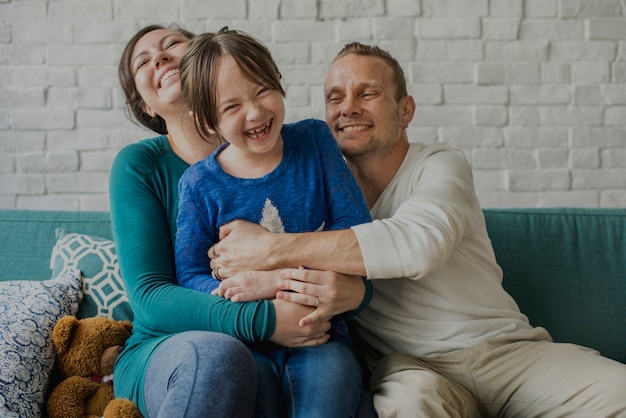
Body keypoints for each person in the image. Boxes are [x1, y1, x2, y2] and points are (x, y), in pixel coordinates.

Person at [206, 41, 626, 417]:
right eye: (335, 97)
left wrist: (269, 249)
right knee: (409, 405)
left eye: (367, 93)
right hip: (409, 368)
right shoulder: (321, 194)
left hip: (504, 353)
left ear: (405, 109)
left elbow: (418, 245)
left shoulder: (440, 165)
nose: (348, 107)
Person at [110, 24, 344, 417]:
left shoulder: (288, 151)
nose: (161, 58)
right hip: (169, 346)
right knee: (220, 356)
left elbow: (354, 247)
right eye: (143, 62)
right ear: (146, 106)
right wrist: (264, 319)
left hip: (283, 338)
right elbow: (150, 297)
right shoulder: (140, 166)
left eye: (171, 46)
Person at [175, 27, 371, 417]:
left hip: (321, 333)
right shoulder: (199, 184)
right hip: (245, 338)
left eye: (262, 89)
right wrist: (252, 303)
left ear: (278, 81)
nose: (255, 112)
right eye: (231, 107)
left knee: (328, 392)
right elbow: (191, 277)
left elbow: (358, 238)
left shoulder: (315, 141)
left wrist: (270, 279)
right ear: (208, 121)